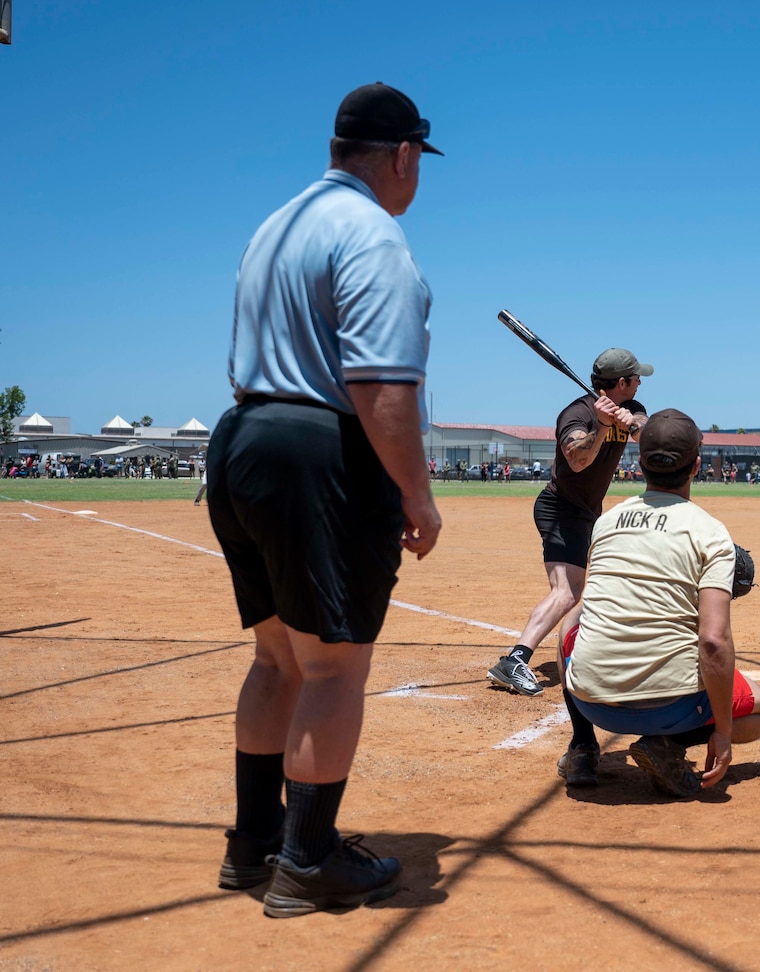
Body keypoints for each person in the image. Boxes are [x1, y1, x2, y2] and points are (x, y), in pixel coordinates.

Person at [207, 82, 442, 918]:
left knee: (275, 658)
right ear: (404, 156)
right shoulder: (374, 235)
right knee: (335, 664)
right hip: (318, 452)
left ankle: (253, 842)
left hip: (240, 439)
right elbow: (379, 384)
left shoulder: (277, 225)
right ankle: (306, 858)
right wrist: (418, 494)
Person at [561, 408, 760, 797]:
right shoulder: (710, 532)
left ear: (640, 464)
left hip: (591, 701)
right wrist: (724, 734)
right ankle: (669, 745)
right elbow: (713, 641)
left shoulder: (607, 521)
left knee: (572, 617)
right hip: (668, 707)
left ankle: (582, 745)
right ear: (696, 465)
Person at [486, 349, 650, 710]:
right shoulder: (576, 414)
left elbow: (647, 435)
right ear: (621, 382)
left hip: (587, 512)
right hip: (561, 509)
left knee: (583, 588)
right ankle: (514, 660)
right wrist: (604, 425)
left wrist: (628, 421)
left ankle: (592, 648)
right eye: (636, 377)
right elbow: (577, 461)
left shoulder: (633, 405)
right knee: (566, 592)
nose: (640, 382)